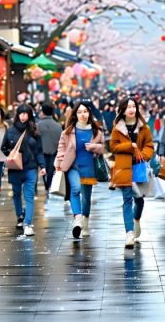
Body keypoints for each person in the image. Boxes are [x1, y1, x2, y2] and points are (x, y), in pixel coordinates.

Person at [55, 100, 106, 238]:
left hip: (89, 167)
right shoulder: (68, 132)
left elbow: (104, 148)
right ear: (75, 114)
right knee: (76, 189)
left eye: (85, 111)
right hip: (73, 166)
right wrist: (58, 163)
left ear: (89, 113)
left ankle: (86, 223)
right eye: (79, 112)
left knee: (87, 198)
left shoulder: (97, 131)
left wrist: (95, 147)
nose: (82, 114)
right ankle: (77, 218)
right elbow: (61, 148)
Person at [110, 98, 155, 248]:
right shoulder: (117, 127)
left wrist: (143, 156)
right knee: (127, 199)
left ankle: (136, 220)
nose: (131, 109)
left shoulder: (144, 127)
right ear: (122, 109)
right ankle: (129, 233)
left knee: (139, 199)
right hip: (124, 168)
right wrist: (130, 146)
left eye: (133, 106)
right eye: (128, 106)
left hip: (139, 167)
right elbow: (113, 147)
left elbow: (149, 145)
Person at [1, 105, 46, 237]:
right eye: (21, 113)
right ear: (17, 114)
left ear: (30, 115)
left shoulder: (34, 130)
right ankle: (20, 215)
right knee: (16, 193)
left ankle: (28, 223)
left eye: (26, 114)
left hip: (31, 167)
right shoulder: (10, 130)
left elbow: (38, 150)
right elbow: (3, 147)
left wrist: (42, 166)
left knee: (29, 195)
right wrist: (12, 154)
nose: (23, 116)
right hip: (15, 168)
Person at [38, 104, 63, 191]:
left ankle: (46, 185)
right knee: (51, 170)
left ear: (43, 112)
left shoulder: (38, 125)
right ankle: (49, 185)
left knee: (44, 169)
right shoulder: (58, 126)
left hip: (41, 152)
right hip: (54, 152)